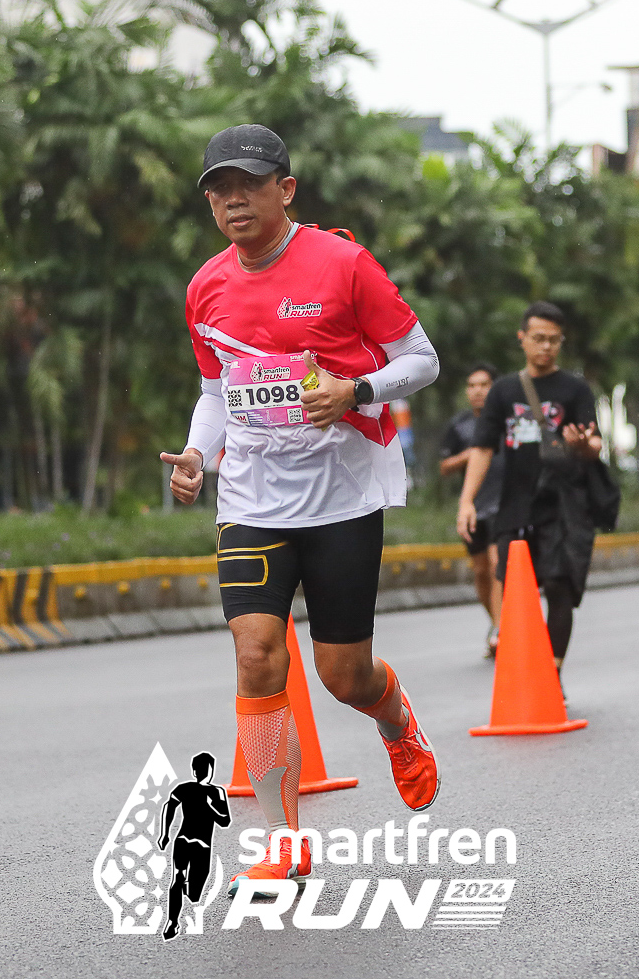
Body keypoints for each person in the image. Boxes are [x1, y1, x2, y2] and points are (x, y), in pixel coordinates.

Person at [158, 124, 442, 897]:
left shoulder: (343, 264)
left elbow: (423, 360)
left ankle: (396, 722)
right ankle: (281, 841)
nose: (232, 200)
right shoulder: (205, 287)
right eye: (218, 189)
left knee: (344, 675)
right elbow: (216, 393)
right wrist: (198, 454)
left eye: (248, 185)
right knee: (256, 654)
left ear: (285, 189)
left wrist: (356, 390)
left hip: (343, 495)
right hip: (252, 497)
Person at [457, 302, 604, 681]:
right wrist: (467, 501)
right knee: (515, 590)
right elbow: (483, 448)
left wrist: (582, 445)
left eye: (554, 340)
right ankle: (525, 671)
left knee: (558, 585)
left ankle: (552, 677)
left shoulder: (575, 389)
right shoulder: (504, 391)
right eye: (539, 338)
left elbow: (595, 445)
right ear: (522, 338)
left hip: (563, 504)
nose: (546, 346)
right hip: (516, 505)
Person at [440, 363, 504, 656]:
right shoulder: (460, 425)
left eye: (484, 384)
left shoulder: (508, 422)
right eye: (472, 385)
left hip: (503, 505)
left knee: (496, 564)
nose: (478, 391)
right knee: (480, 571)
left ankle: (501, 629)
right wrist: (472, 454)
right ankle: (497, 624)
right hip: (474, 508)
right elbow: (444, 467)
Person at [157, 751, 231, 941]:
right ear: (196, 771)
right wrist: (165, 834)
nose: (203, 772)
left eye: (205, 768)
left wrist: (208, 807)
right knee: (177, 876)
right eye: (201, 769)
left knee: (194, 894)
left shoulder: (216, 792)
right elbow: (169, 806)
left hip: (199, 845)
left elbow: (225, 821)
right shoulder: (186, 788)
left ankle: (185, 889)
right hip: (186, 841)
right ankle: (172, 921)